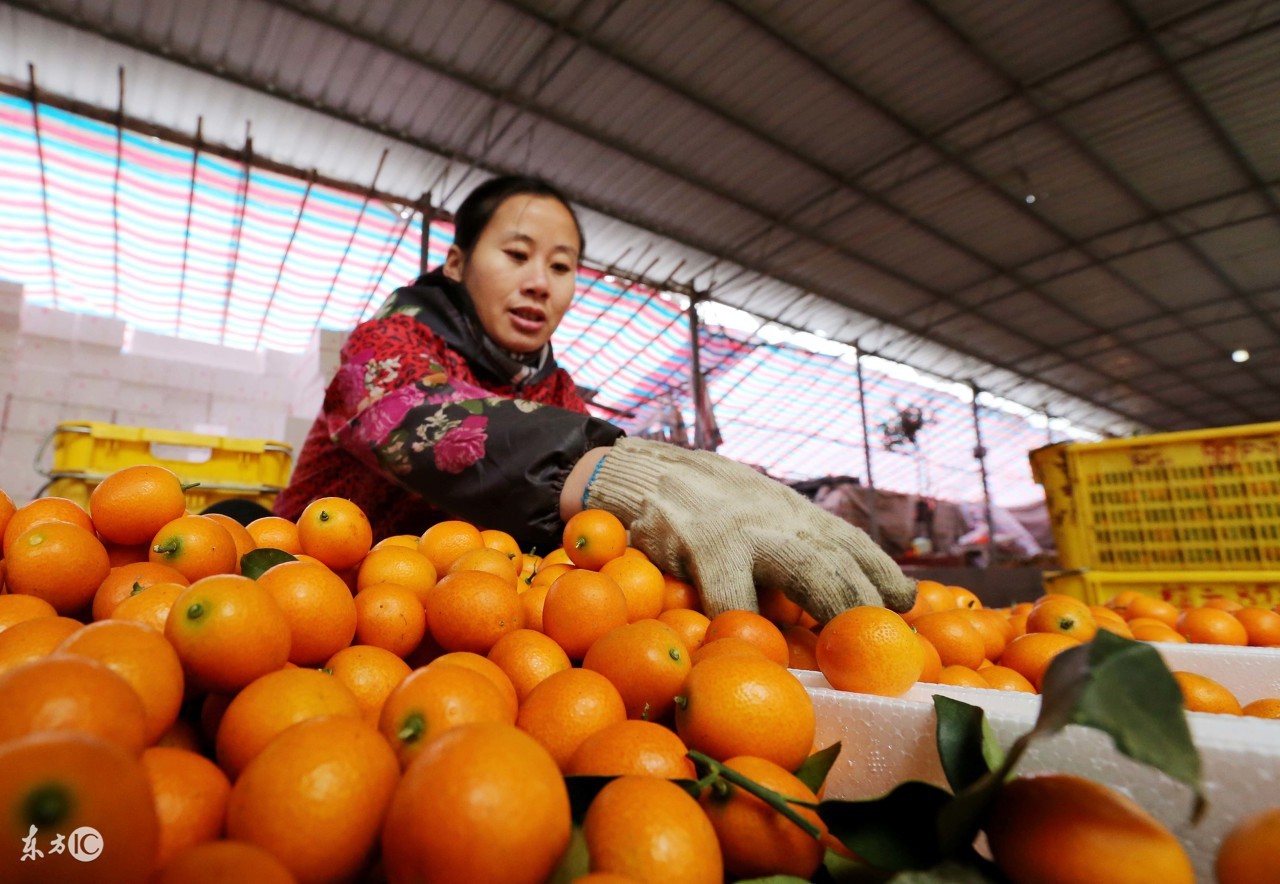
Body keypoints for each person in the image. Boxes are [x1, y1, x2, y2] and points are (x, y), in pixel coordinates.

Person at [274, 175, 914, 621]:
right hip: (306, 603)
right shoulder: (388, 344)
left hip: (468, 627)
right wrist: (617, 472)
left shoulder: (556, 391)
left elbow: (594, 529)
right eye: (517, 254)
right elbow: (410, 418)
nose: (538, 283)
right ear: (457, 263)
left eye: (561, 266)